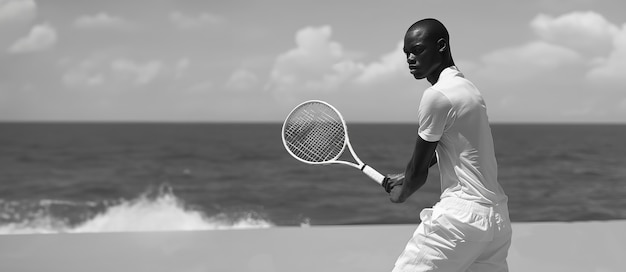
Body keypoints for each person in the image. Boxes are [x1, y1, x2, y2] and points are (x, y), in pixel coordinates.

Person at [382, 18, 512, 272]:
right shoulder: (469, 90)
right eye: (407, 53)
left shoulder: (436, 96)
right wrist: (404, 176)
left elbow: (418, 173)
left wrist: (401, 193)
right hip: (496, 219)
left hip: (461, 220)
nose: (410, 58)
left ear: (441, 45)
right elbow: (451, 145)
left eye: (417, 50)